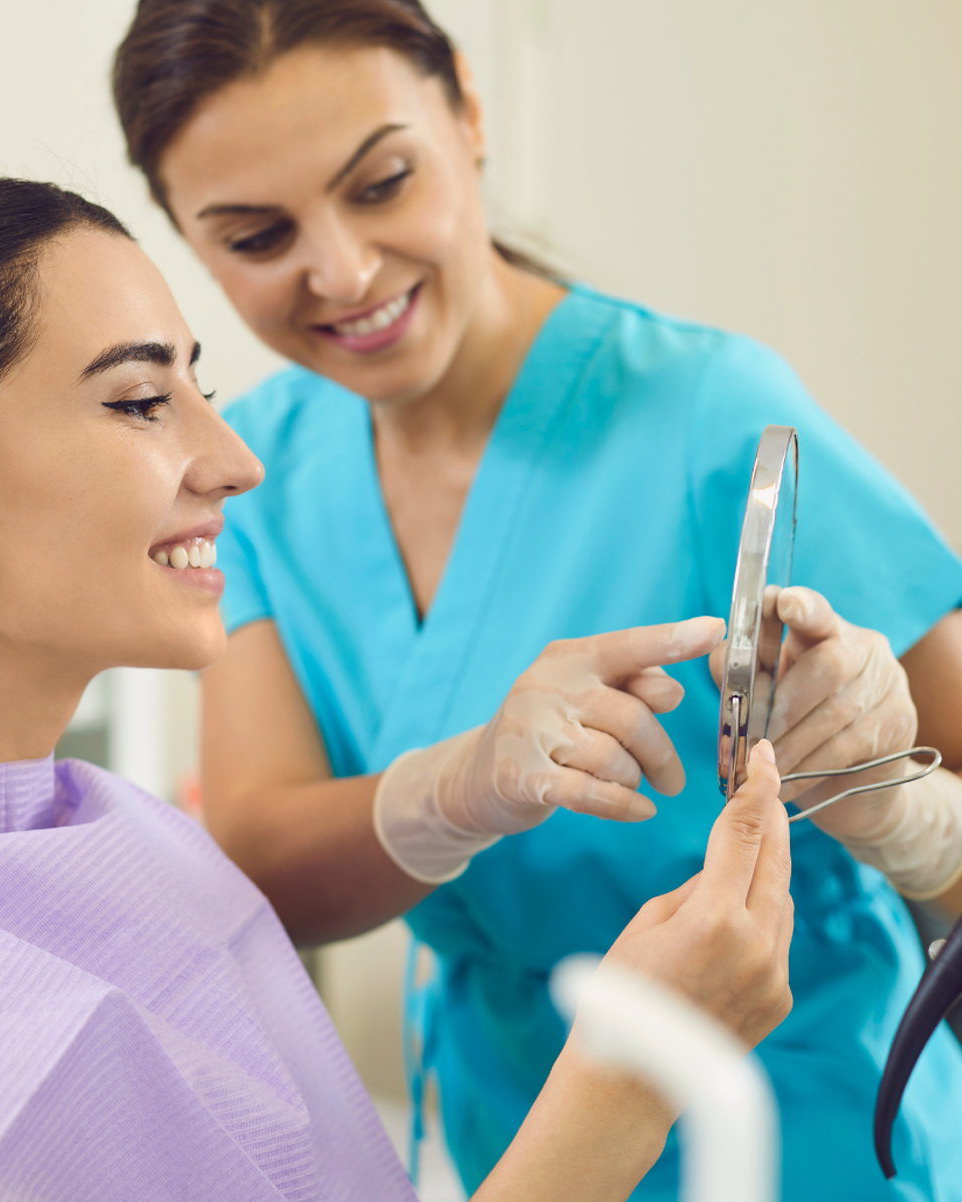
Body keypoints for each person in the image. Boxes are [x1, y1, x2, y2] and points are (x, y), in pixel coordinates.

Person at [0, 177, 792, 1202]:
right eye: (140, 400)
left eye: (197, 385)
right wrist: (626, 1080)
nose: (234, 458)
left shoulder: (138, 844)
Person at [110, 2, 962, 1198]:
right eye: (256, 235)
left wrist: (899, 809)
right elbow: (260, 857)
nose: (343, 272)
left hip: (804, 1137)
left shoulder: (709, 415)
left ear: (466, 107)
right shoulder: (248, 473)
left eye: (383, 182)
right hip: (521, 1136)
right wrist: (453, 790)